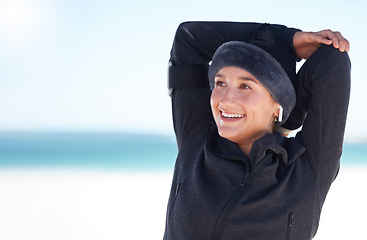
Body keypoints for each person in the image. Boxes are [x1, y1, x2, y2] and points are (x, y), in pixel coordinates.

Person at [164, 21, 350, 240]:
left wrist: (287, 117)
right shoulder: (196, 138)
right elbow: (188, 38)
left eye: (245, 86)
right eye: (220, 83)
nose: (225, 99)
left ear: (277, 103)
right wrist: (285, 39)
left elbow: (332, 58)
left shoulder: (306, 167)